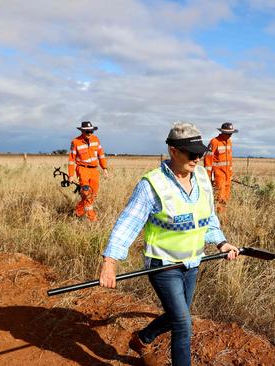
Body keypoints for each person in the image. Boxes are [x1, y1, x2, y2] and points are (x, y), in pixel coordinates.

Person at [99, 122, 239, 366]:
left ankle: (142, 339)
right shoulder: (152, 184)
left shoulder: (203, 177)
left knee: (178, 314)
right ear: (173, 151)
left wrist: (221, 243)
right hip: (163, 264)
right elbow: (128, 223)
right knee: (183, 324)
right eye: (191, 153)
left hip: (193, 261)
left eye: (200, 152)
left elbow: (208, 216)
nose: (197, 158)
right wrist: (110, 262)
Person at [68, 121, 109, 221]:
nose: (90, 134)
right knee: (86, 192)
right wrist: (71, 174)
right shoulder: (75, 142)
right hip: (82, 170)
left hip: (94, 171)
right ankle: (92, 218)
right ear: (82, 131)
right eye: (87, 132)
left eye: (91, 131)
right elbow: (71, 159)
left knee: (93, 194)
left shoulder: (96, 140)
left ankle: (78, 212)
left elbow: (101, 154)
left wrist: (104, 168)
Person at [203, 122, 238, 213]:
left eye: (231, 133)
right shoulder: (214, 142)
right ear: (222, 132)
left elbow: (229, 161)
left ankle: (223, 215)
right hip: (218, 176)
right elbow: (207, 159)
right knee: (220, 197)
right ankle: (219, 217)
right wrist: (208, 177)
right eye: (228, 133)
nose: (230, 135)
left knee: (226, 197)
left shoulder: (229, 142)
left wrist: (230, 175)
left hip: (227, 176)